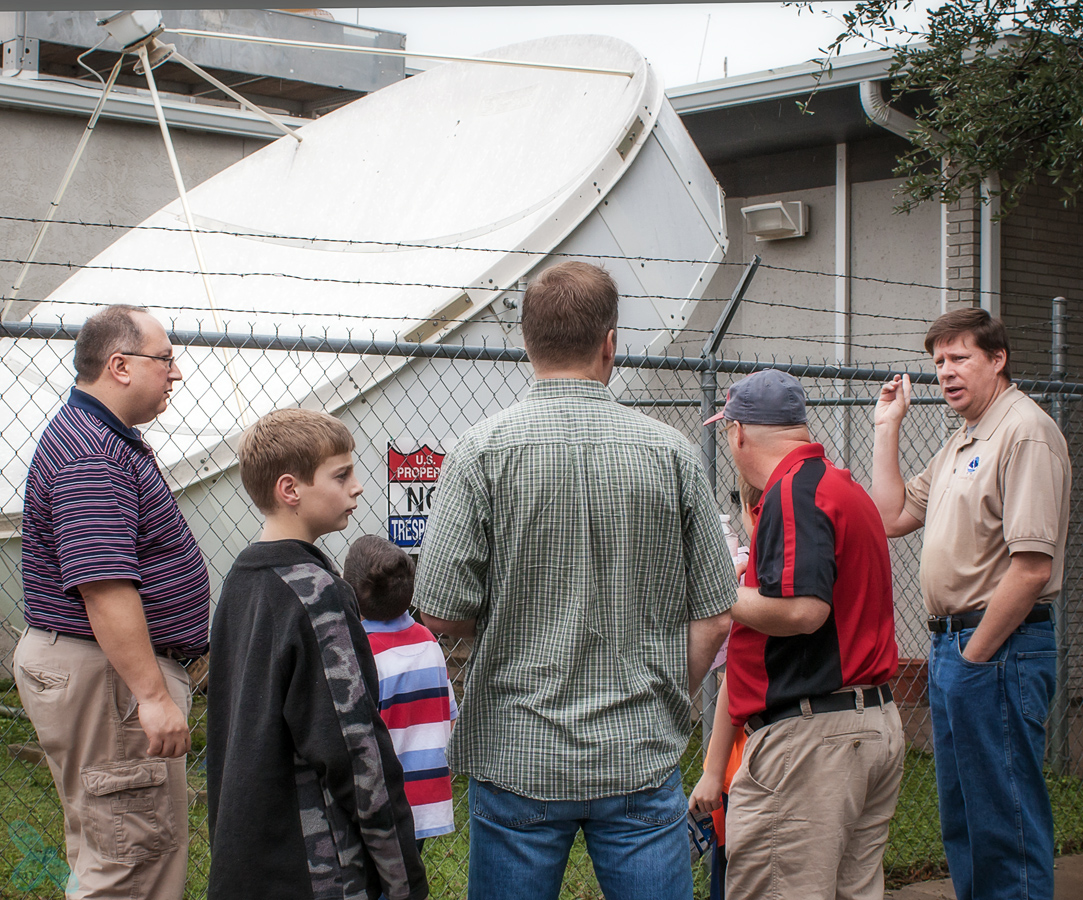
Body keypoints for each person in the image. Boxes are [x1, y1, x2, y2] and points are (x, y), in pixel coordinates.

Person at [412, 260, 736, 900]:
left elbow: (441, 611)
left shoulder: (480, 451)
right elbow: (718, 614)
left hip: (517, 748)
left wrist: (510, 605)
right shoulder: (670, 453)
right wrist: (672, 690)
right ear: (610, 342)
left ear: (526, 343)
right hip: (639, 748)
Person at [871, 308, 1069, 900]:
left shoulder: (1024, 431)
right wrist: (888, 427)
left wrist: (975, 657)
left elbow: (1032, 566)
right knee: (968, 824)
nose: (946, 373)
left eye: (960, 358)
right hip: (955, 647)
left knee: (1004, 825)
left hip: (997, 648)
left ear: (997, 358)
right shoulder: (964, 439)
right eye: (938, 363)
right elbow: (891, 515)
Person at [13, 304, 209, 900]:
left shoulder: (99, 438)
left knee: (113, 848)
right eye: (165, 359)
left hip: (104, 675)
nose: (175, 373)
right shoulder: (92, 452)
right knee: (131, 864)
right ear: (121, 366)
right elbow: (104, 586)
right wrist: (151, 695)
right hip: (110, 680)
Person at [205, 409, 428, 900]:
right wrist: (404, 879)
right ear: (291, 489)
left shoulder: (240, 583)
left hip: (247, 861)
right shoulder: (318, 594)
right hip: (316, 874)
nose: (358, 487)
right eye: (341, 474)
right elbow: (356, 752)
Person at [710, 368, 903, 900]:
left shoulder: (792, 490)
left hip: (815, 741)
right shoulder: (840, 482)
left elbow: (802, 611)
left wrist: (712, 590)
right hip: (868, 722)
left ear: (739, 431)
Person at [344, 535, 458, 849]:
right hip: (422, 800)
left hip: (376, 800)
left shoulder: (358, 650)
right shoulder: (428, 642)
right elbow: (449, 719)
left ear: (350, 592)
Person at [688, 475, 761, 900]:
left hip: (749, 771)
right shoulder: (754, 574)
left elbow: (731, 666)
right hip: (737, 766)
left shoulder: (753, 578)